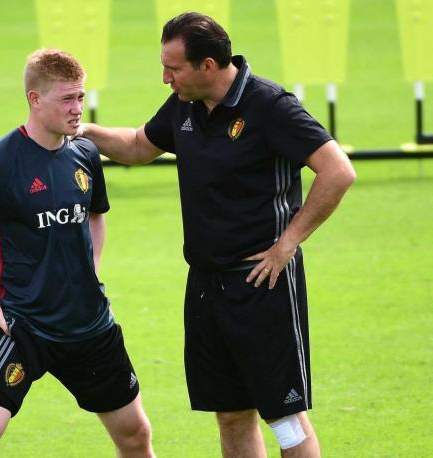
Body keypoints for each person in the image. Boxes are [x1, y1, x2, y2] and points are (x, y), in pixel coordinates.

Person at [78, 12, 356, 458]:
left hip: (260, 283)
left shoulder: (270, 106)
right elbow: (137, 145)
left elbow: (338, 171)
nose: (165, 77)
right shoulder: (185, 105)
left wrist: (288, 244)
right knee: (229, 414)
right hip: (207, 285)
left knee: (285, 420)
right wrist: (85, 131)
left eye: (174, 68)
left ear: (208, 65)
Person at [0, 48, 155, 458]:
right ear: (34, 99)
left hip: (90, 327)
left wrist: (90, 272)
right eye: (67, 99)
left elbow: (95, 215)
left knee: (136, 437)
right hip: (20, 327)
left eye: (80, 96)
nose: (78, 108)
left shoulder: (85, 154)